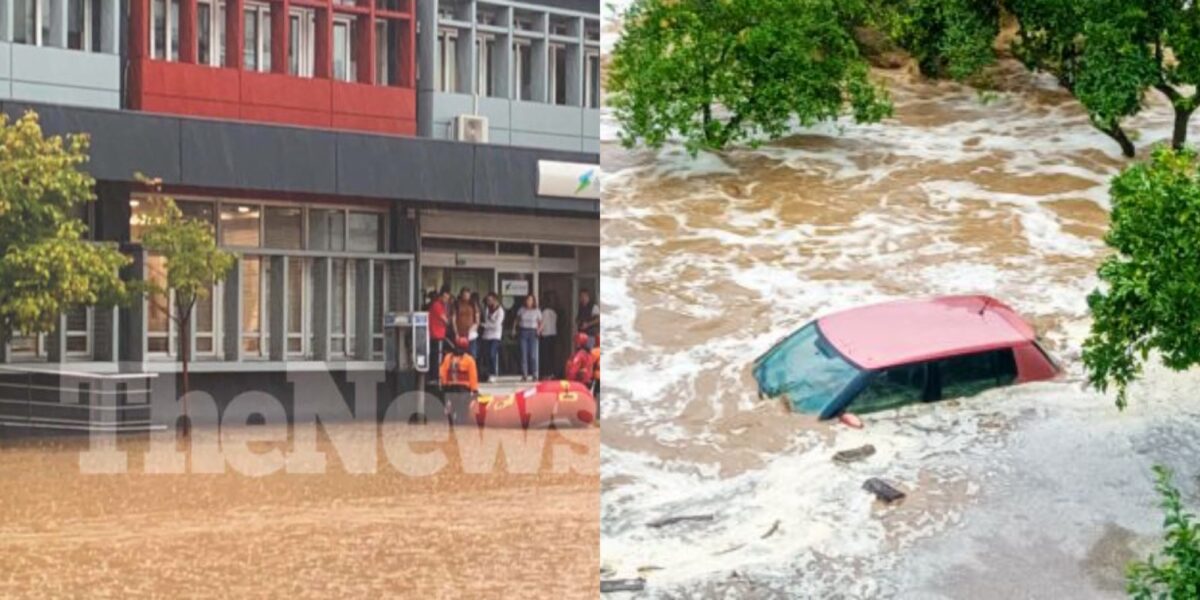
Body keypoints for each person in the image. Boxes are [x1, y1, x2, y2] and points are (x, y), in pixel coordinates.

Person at [438, 336, 478, 425]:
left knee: (451, 409)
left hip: (450, 389)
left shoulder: (448, 358)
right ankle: (459, 425)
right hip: (463, 390)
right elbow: (473, 377)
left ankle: (452, 426)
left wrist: (443, 385)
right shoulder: (469, 360)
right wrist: (475, 391)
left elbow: (442, 373)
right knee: (462, 412)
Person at [513, 293, 542, 382]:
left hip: (533, 332)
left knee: (533, 355)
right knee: (523, 354)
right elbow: (516, 320)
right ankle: (524, 375)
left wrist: (539, 330)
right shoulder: (521, 310)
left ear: (533, 301)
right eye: (527, 300)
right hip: (523, 331)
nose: (529, 302)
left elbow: (541, 323)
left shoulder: (537, 310)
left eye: (531, 300)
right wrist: (514, 329)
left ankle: (535, 374)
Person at [428, 285, 452, 383]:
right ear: (441, 296)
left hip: (439, 334)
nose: (446, 300)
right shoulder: (437, 305)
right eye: (445, 298)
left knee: (437, 355)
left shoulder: (441, 305)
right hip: (436, 335)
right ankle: (436, 376)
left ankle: (436, 376)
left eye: (448, 298)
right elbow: (445, 320)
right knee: (437, 356)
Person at [480, 292, 504, 382]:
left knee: (492, 354)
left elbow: (497, 325)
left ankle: (493, 373)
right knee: (486, 355)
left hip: (495, 335)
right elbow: (487, 320)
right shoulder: (487, 309)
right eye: (487, 300)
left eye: (490, 300)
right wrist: (486, 325)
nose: (489, 302)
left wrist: (485, 325)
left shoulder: (500, 311)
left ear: (495, 300)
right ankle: (488, 373)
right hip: (486, 336)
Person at [453, 287, 479, 357]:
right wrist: (456, 332)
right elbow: (454, 319)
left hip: (471, 334)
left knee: (472, 354)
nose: (466, 297)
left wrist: (473, 329)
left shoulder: (473, 304)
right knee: (460, 354)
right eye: (464, 295)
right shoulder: (457, 304)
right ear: (461, 295)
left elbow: (477, 319)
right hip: (460, 333)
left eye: (467, 295)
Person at [539, 292, 559, 380]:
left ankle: (546, 373)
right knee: (551, 355)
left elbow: (543, 323)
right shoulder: (554, 312)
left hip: (546, 335)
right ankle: (551, 373)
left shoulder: (544, 312)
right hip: (553, 334)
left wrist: (538, 331)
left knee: (545, 355)